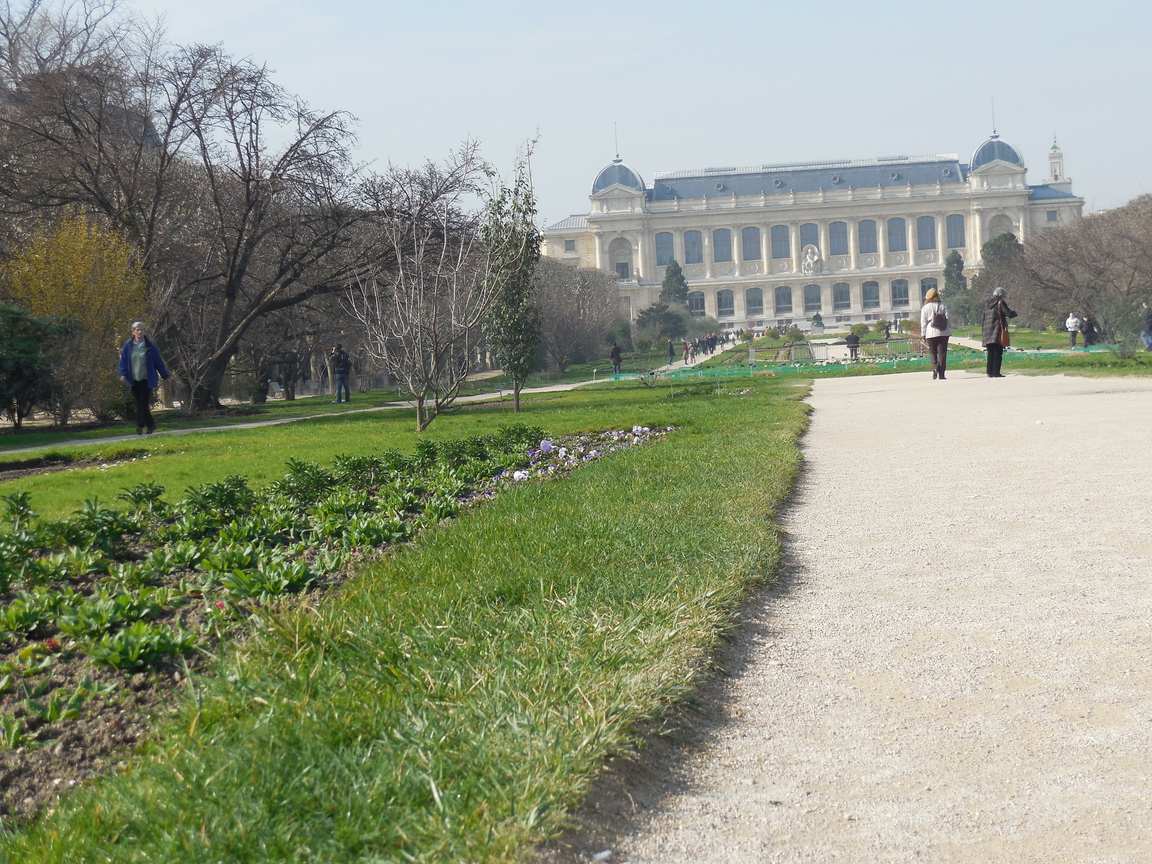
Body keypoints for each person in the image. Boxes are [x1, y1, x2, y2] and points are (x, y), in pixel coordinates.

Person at [118, 321, 170, 435]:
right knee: (140, 404)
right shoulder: (128, 346)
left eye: (142, 330)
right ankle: (151, 425)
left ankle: (140, 425)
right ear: (133, 332)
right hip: (133, 379)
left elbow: (158, 362)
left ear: (145, 332)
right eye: (137, 330)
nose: (140, 332)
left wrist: (166, 376)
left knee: (143, 403)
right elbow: (123, 361)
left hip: (146, 378)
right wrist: (122, 374)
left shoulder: (150, 346)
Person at [981, 287, 1016, 378]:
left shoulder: (986, 304)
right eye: (1004, 296)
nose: (1004, 297)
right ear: (1000, 295)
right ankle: (996, 372)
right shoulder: (1000, 302)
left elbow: (983, 317)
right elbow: (1008, 313)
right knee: (998, 351)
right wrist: (1014, 313)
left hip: (987, 330)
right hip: (997, 329)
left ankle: (990, 372)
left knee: (990, 352)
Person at [919, 287, 951, 380]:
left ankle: (935, 367)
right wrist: (949, 325)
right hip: (943, 331)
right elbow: (948, 317)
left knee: (932, 351)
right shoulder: (943, 305)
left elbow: (923, 322)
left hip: (930, 331)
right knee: (942, 353)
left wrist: (923, 334)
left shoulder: (925, 308)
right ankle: (942, 374)